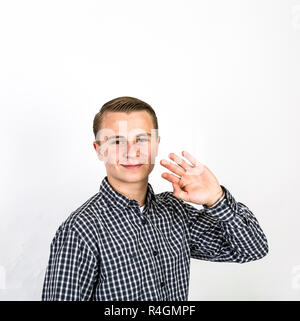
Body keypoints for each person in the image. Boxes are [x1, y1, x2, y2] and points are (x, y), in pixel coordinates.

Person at [41, 96, 268, 301]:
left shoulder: (175, 212)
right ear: (99, 150)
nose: (132, 152)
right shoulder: (80, 230)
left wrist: (217, 200)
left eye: (142, 139)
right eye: (117, 141)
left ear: (156, 145)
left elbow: (252, 249)